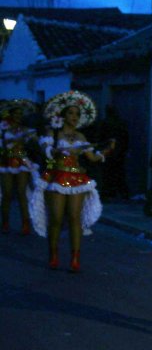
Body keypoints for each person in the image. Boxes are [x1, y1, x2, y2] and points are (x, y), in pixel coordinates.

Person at [29, 90, 115, 272]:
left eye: (77, 114)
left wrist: (107, 151)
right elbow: (46, 150)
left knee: (75, 218)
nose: (75, 117)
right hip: (56, 177)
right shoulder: (53, 132)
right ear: (62, 115)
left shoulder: (81, 137)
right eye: (71, 113)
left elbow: (92, 158)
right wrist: (55, 152)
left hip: (77, 179)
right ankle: (53, 255)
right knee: (57, 219)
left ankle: (75, 258)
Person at [0, 99, 39, 234]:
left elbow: (35, 145)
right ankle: (5, 222)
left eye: (20, 113)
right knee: (7, 194)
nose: (18, 116)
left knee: (22, 193)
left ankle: (25, 223)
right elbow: (3, 146)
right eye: (16, 113)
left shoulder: (27, 130)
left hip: (22, 161)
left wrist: (34, 139)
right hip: (6, 162)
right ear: (10, 114)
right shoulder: (3, 128)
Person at [99, 105, 130, 201]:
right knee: (119, 173)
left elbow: (101, 137)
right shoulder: (121, 123)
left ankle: (108, 193)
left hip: (108, 152)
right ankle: (123, 193)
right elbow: (126, 137)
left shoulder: (105, 123)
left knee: (108, 174)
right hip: (119, 152)